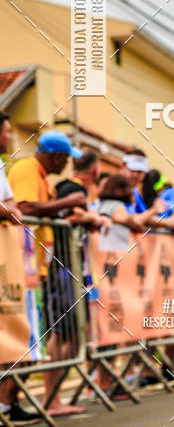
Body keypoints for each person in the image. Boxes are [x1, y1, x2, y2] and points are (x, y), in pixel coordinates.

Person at [8, 130, 88, 417]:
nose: (67, 165)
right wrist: (68, 203)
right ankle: (9, 404)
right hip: (21, 267)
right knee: (28, 342)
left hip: (36, 268)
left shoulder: (41, 176)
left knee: (33, 341)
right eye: (66, 159)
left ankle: (12, 403)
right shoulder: (27, 169)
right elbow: (26, 208)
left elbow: (45, 213)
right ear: (56, 156)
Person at [0, 112, 39, 424]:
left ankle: (6, 404)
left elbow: (13, 206)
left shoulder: (1, 165)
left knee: (16, 334)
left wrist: (7, 209)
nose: (11, 136)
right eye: (7, 131)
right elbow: (11, 208)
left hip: (8, 263)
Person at [121, 149, 149, 214]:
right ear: (122, 166)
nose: (135, 175)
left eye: (140, 171)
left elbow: (144, 215)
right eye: (132, 169)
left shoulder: (135, 192)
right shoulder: (115, 188)